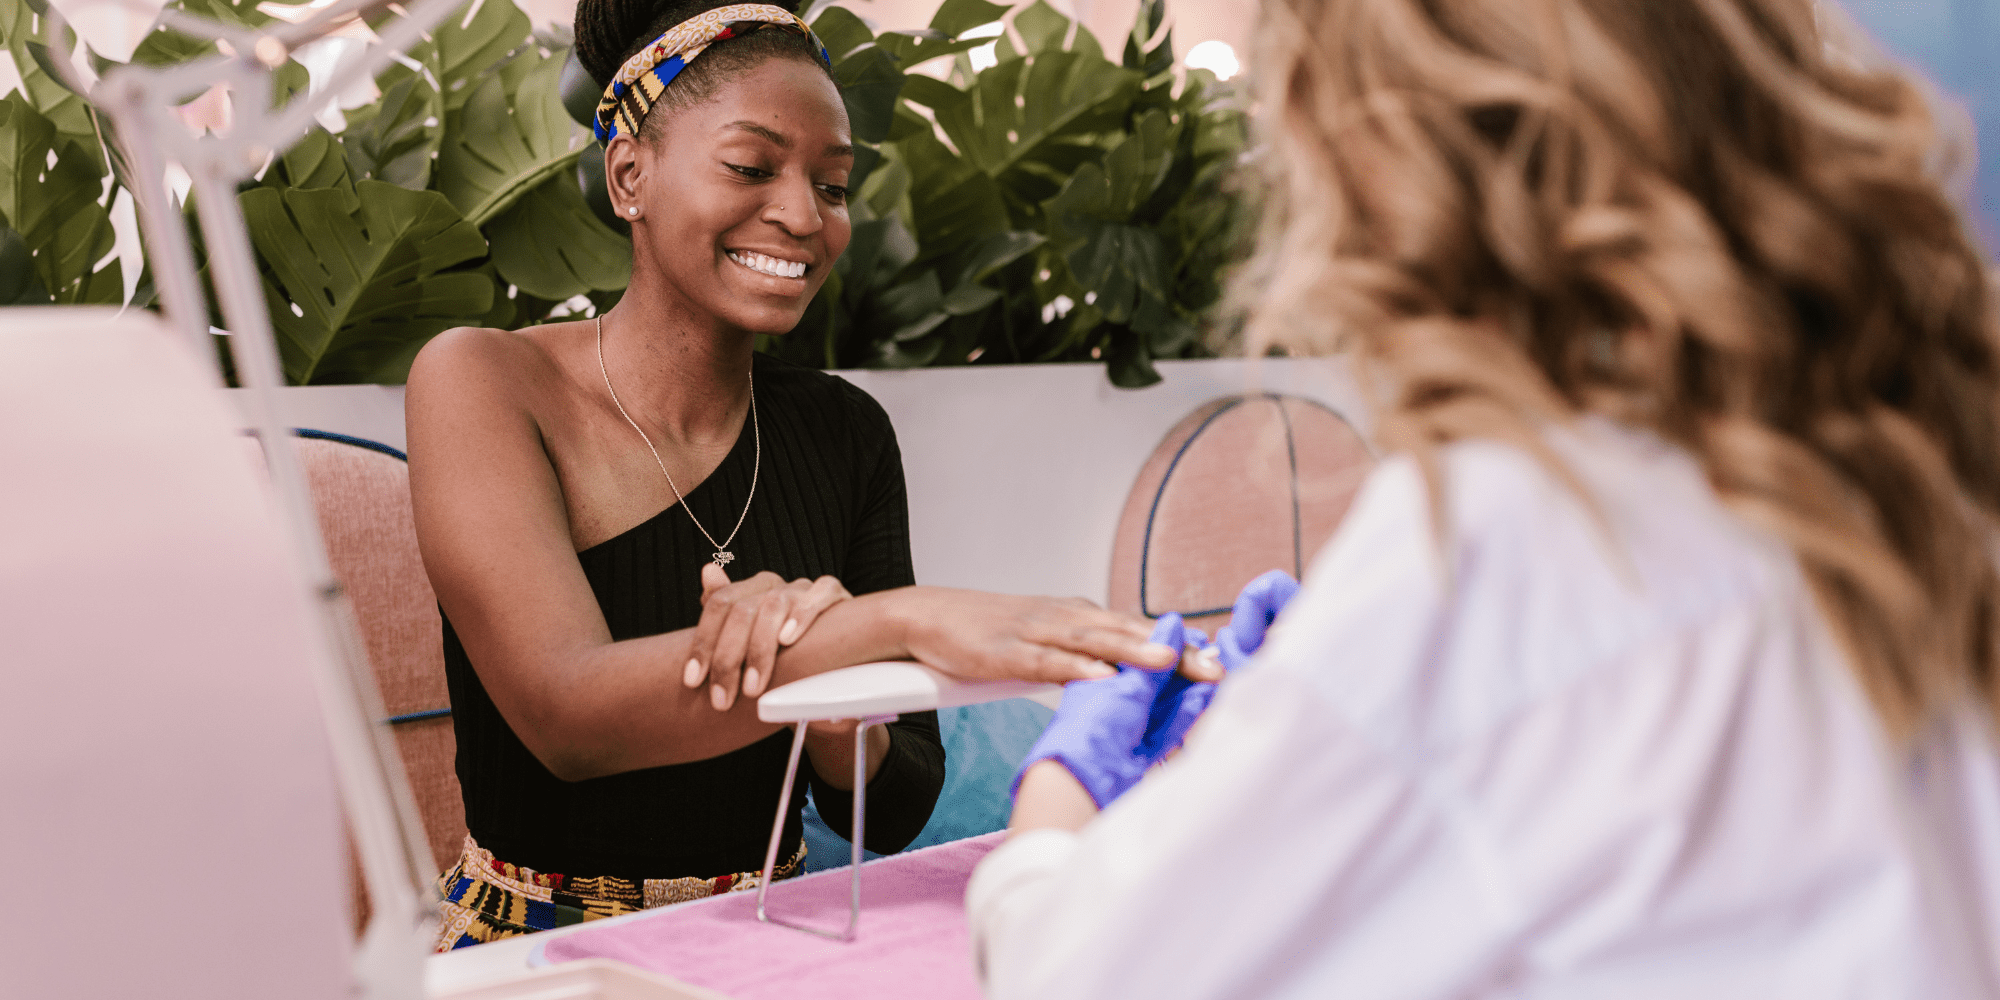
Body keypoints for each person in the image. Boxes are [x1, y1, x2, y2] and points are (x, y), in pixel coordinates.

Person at [971, 0, 2000, 995]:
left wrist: (1067, 782)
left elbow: (1079, 973)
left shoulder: (1503, 542)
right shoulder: (1916, 459)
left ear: (1382, 156)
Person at [404, 0, 1182, 951]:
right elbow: (571, 719)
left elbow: (886, 812)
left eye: (835, 184)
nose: (804, 215)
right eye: (750, 166)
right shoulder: (482, 380)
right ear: (629, 175)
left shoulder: (842, 431)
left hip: (768, 935)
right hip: (537, 956)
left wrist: (817, 682)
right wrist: (883, 625)